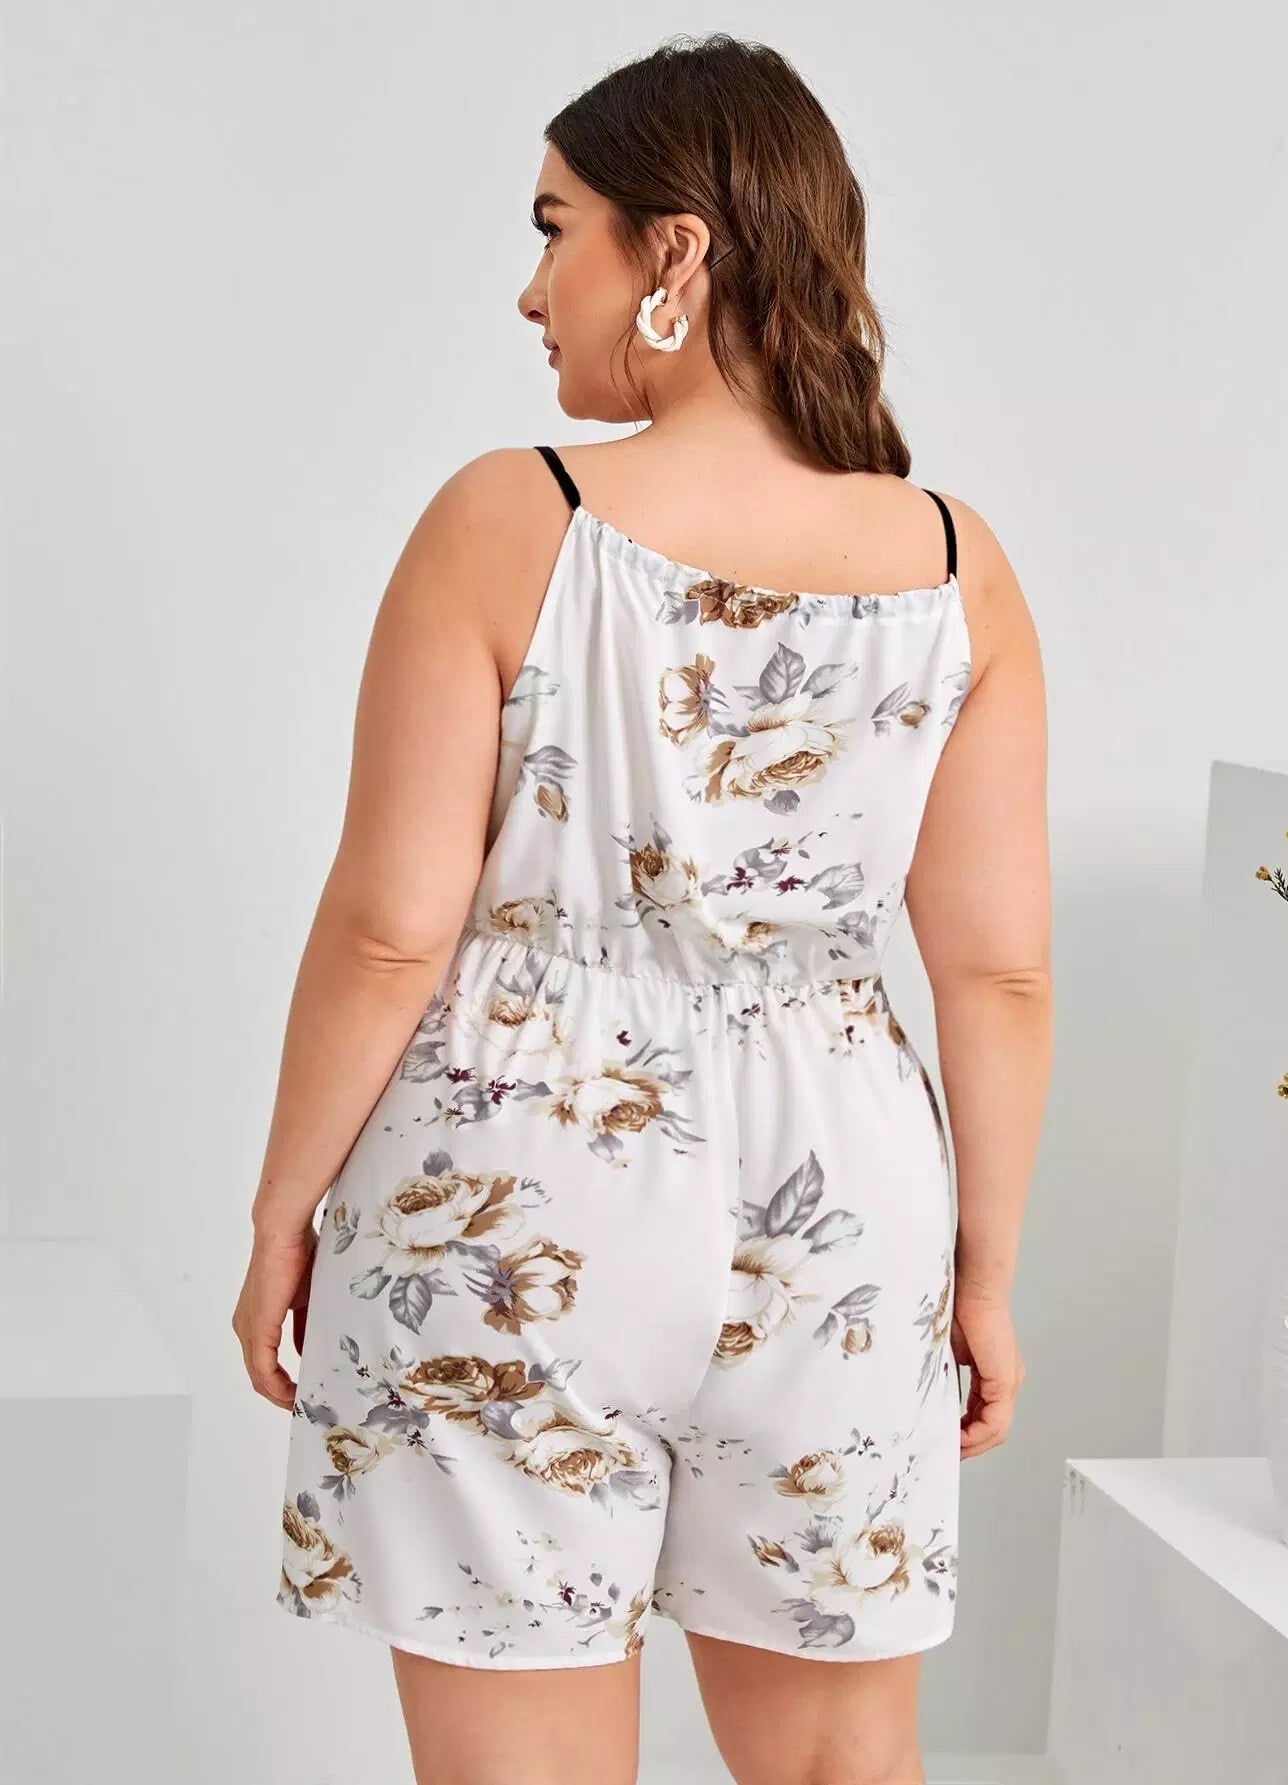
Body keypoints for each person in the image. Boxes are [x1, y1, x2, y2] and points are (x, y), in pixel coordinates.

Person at [233, 31, 1050, 1785]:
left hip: (521, 1172)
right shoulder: (954, 566)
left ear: (673, 251)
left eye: (557, 231)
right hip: (848, 1203)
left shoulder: (512, 515)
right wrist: (984, 1273)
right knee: (840, 1762)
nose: (535, 291)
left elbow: (388, 929)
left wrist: (281, 1207)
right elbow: (997, 971)